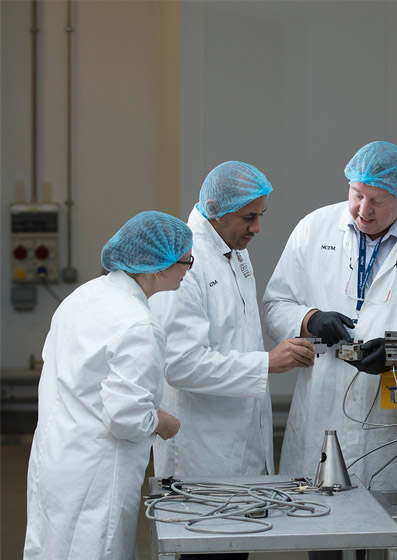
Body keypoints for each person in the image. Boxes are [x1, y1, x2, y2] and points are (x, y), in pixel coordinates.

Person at [262, 140, 397, 560]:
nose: (364, 210)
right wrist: (310, 319)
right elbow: (275, 304)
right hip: (325, 409)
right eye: (356, 195)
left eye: (378, 201)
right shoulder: (314, 229)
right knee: (323, 535)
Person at [149, 161, 316, 560]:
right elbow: (181, 364)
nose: (257, 227)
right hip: (200, 453)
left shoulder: (234, 253)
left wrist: (275, 356)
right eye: (248, 217)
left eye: (260, 215)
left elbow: (233, 337)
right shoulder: (184, 263)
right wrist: (266, 364)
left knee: (235, 550)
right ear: (214, 209)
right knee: (207, 551)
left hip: (239, 447)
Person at [24, 211, 191, 559]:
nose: (189, 270)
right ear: (159, 267)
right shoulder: (139, 325)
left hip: (56, 458)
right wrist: (163, 422)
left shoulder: (83, 297)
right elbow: (126, 418)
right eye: (187, 262)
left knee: (51, 548)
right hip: (96, 477)